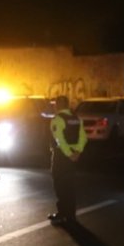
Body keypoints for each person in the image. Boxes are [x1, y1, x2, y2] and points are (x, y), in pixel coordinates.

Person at [49, 95, 87, 223]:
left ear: (57, 105)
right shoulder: (76, 118)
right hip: (73, 156)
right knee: (69, 185)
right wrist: (77, 152)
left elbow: (59, 140)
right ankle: (70, 214)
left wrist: (69, 154)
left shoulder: (57, 119)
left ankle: (62, 213)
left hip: (61, 156)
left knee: (60, 185)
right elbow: (83, 137)